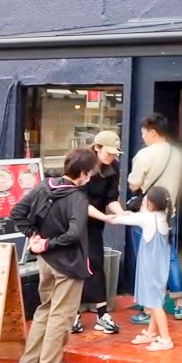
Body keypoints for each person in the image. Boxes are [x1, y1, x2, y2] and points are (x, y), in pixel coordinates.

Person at [12, 148, 96, 363]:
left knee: (45, 309)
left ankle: (29, 361)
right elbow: (75, 233)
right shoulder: (77, 198)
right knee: (61, 315)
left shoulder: (44, 185)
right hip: (68, 263)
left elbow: (17, 212)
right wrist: (48, 243)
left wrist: (34, 236)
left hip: (46, 261)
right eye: (90, 172)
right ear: (84, 173)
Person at [121, 114, 182, 325]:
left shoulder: (144, 155)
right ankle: (179, 304)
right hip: (169, 214)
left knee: (147, 261)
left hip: (147, 216)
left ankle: (148, 309)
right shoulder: (179, 155)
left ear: (153, 132)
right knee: (171, 257)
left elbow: (134, 184)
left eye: (144, 132)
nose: (142, 136)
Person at [111, 186, 175, 351]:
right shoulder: (163, 217)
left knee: (155, 304)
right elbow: (136, 216)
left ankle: (166, 339)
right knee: (156, 302)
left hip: (151, 268)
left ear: (151, 204)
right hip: (159, 268)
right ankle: (151, 333)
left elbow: (122, 220)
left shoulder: (148, 219)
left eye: (146, 200)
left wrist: (111, 214)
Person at [72, 130, 123, 335]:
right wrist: (106, 217)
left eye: (114, 153)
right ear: (97, 148)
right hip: (73, 222)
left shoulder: (113, 168)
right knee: (75, 266)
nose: (112, 157)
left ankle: (102, 314)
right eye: (108, 152)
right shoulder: (82, 166)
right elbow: (80, 203)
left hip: (95, 224)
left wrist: (122, 214)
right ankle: (73, 314)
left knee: (96, 263)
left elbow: (111, 198)